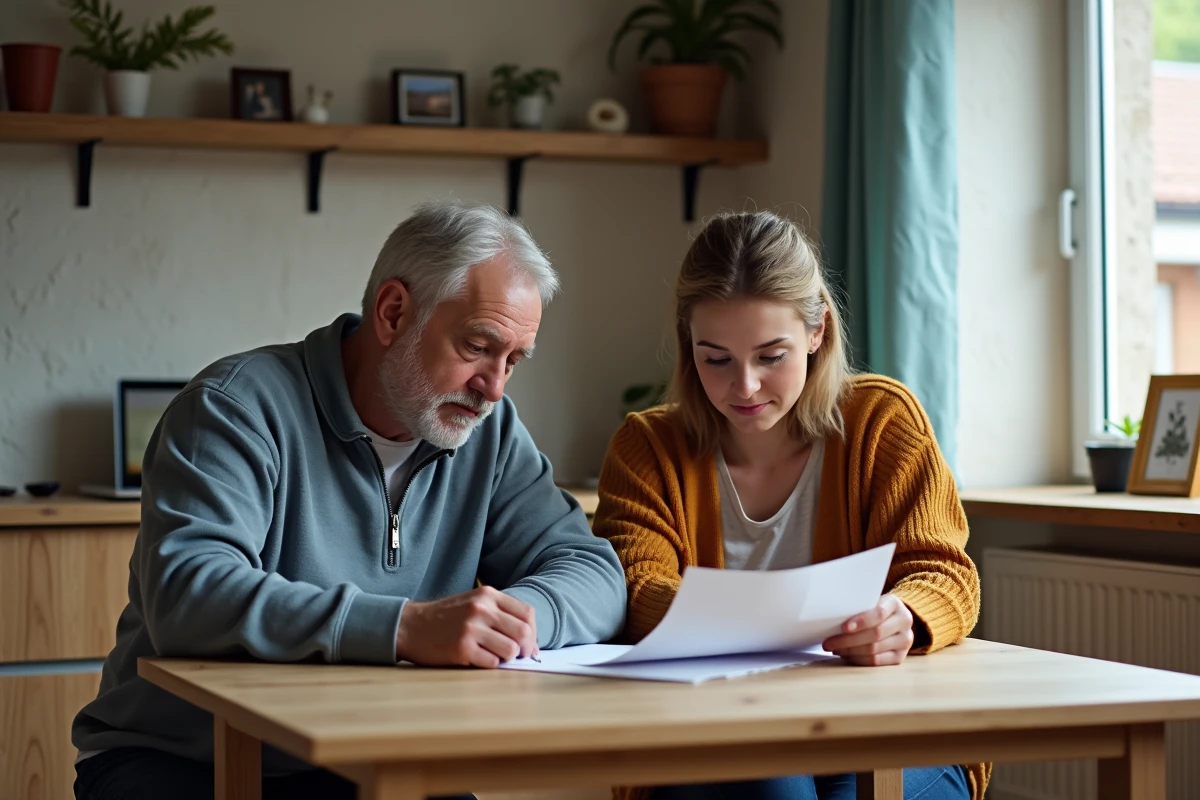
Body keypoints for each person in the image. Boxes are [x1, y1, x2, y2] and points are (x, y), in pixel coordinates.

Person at [72, 201, 627, 800]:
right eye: (476, 347)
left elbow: (594, 572)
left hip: (372, 753)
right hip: (179, 757)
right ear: (393, 313)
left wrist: (503, 625)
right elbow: (190, 592)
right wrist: (405, 629)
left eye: (513, 361)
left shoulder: (487, 432)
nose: (493, 388)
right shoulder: (234, 408)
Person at [592, 211, 985, 800]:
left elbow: (944, 571)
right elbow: (634, 590)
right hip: (714, 734)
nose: (744, 386)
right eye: (716, 359)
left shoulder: (881, 422)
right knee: (774, 786)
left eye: (771, 356)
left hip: (880, 725)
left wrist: (904, 616)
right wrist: (761, 620)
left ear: (817, 332)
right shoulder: (648, 449)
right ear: (687, 344)